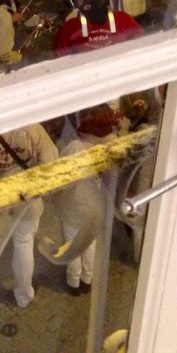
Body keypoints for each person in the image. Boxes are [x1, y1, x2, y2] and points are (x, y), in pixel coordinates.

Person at [0, 122, 58, 307]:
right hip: (26, 201)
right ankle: (23, 295)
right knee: (24, 245)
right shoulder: (32, 128)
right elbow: (50, 159)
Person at [58, 104, 121, 295]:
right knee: (90, 243)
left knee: (73, 246)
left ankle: (73, 282)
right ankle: (87, 279)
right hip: (97, 204)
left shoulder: (75, 148)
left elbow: (61, 180)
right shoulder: (112, 145)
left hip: (74, 204)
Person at [53, 0, 143, 55]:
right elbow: (141, 42)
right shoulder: (123, 19)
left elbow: (59, 57)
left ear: (87, 7)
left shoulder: (70, 28)